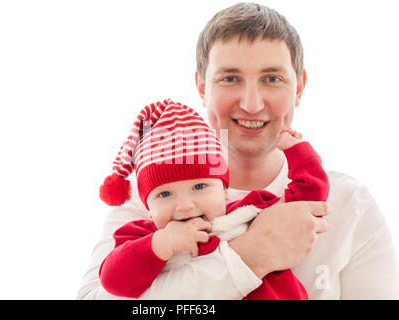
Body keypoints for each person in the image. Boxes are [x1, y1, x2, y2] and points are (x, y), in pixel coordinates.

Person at [78, 3, 399, 299]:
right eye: (230, 78)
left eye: (272, 78)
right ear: (202, 87)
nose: (252, 104)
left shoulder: (348, 204)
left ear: (299, 87)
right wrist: (252, 255)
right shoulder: (153, 200)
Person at [97, 99, 328, 299]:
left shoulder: (246, 211)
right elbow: (112, 281)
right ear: (148, 207)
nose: (185, 205)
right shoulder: (140, 237)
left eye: (199, 186)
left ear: (225, 192)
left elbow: (307, 201)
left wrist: (297, 150)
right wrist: (162, 243)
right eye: (164, 194)